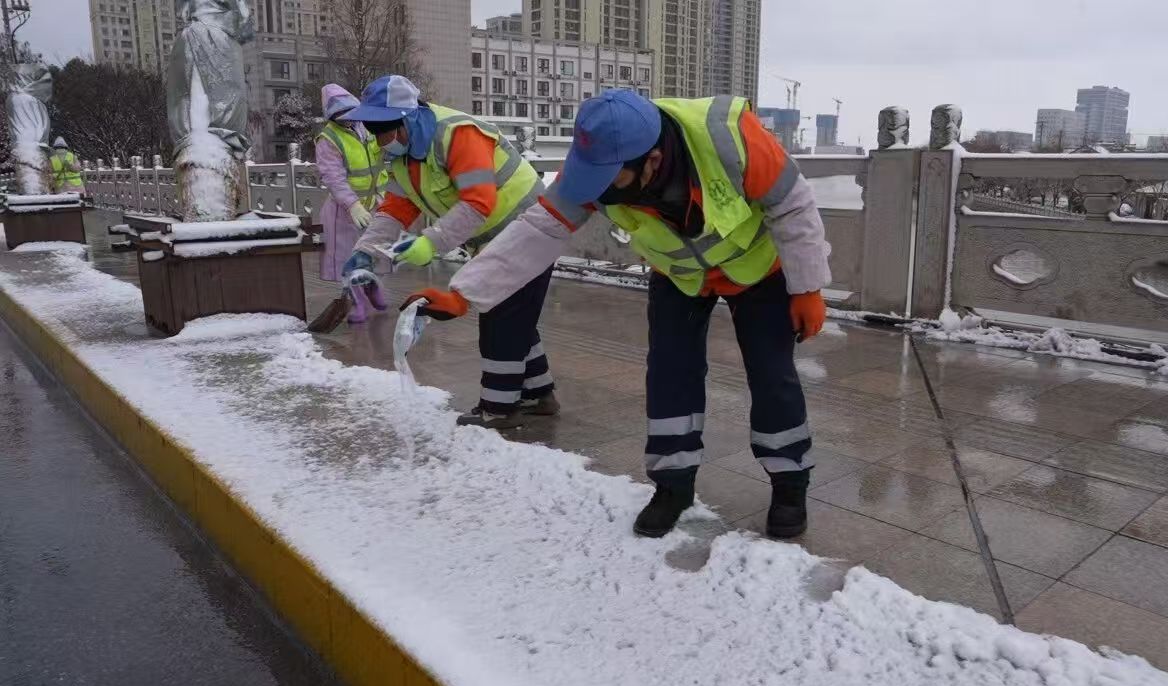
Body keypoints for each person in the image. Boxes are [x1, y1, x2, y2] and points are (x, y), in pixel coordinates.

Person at [403, 90, 831, 540]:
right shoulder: (595, 165)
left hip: (758, 270)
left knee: (771, 373)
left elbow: (793, 205)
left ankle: (789, 484)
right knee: (670, 374)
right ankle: (673, 485)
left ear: (652, 161)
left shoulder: (730, 137)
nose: (599, 192)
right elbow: (541, 228)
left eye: (611, 180)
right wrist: (463, 293)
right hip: (680, 274)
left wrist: (808, 287)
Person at [341, 75, 558, 429]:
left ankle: (499, 407)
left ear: (407, 120)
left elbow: (477, 202)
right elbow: (396, 207)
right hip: (495, 238)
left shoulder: (458, 135)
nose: (380, 141)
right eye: (372, 130)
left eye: (383, 130)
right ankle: (539, 394)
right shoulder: (404, 155)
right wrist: (366, 250)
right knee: (514, 315)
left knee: (500, 317)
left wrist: (431, 242)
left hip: (529, 229)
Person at [314, 83, 390, 323]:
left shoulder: (367, 127)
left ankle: (371, 287)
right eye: (340, 114)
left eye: (349, 111)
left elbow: (383, 154)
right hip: (344, 211)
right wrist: (352, 204)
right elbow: (333, 176)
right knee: (348, 258)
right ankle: (355, 299)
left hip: (375, 203)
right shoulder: (328, 138)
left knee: (373, 252)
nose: (346, 117)